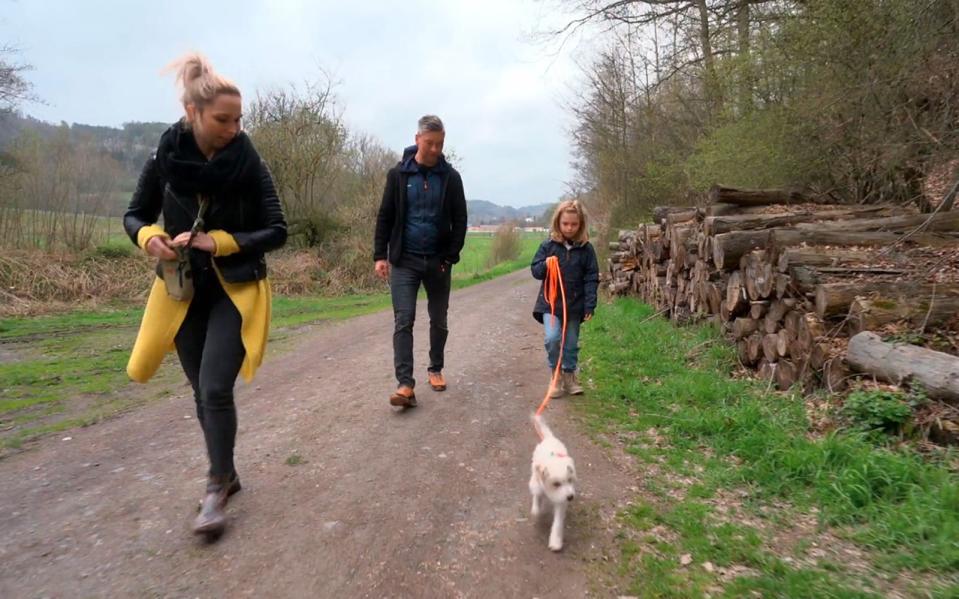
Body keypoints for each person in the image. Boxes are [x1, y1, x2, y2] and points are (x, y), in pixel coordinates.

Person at [123, 53, 287, 535]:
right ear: (192, 114)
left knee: (216, 387)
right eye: (223, 119)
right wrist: (149, 237)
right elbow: (134, 214)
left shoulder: (249, 160)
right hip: (182, 291)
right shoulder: (165, 157)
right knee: (201, 391)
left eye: (239, 119)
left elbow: (277, 229)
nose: (234, 128)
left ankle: (215, 487)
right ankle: (228, 471)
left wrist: (225, 241)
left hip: (236, 291)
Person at [373, 115, 468, 408]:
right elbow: (385, 216)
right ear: (417, 140)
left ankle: (435, 368)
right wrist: (380, 255)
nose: (436, 149)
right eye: (430, 143)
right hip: (405, 260)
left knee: (439, 320)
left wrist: (451, 256)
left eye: (440, 144)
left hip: (438, 262)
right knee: (404, 320)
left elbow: (461, 219)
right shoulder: (398, 175)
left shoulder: (450, 178)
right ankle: (405, 385)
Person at [531, 200, 599, 397]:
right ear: (558, 223)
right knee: (552, 339)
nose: (569, 228)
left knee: (570, 343)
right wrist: (545, 264)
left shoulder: (587, 249)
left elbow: (591, 277)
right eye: (565, 224)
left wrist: (589, 304)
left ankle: (569, 377)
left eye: (574, 224)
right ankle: (556, 375)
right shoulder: (547, 246)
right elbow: (535, 270)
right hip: (550, 305)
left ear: (581, 224)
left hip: (575, 306)